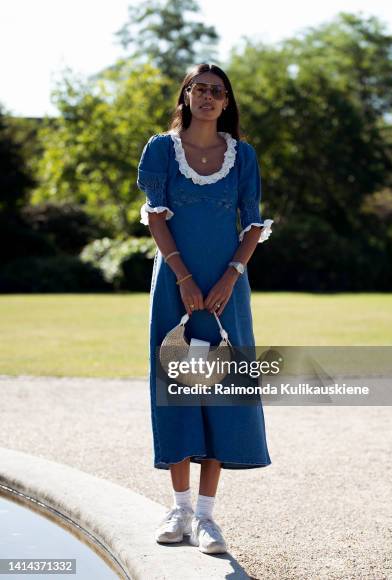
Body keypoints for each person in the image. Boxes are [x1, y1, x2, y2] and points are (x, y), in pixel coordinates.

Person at [137, 62, 273, 555]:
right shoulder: (160, 149)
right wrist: (185, 278)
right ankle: (178, 509)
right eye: (200, 89)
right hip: (175, 286)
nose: (209, 97)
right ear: (186, 95)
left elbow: (253, 225)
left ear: (227, 100)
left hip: (226, 290)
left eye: (218, 91)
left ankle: (209, 519)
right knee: (177, 386)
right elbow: (156, 218)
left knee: (221, 388)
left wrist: (230, 276)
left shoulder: (244, 156)